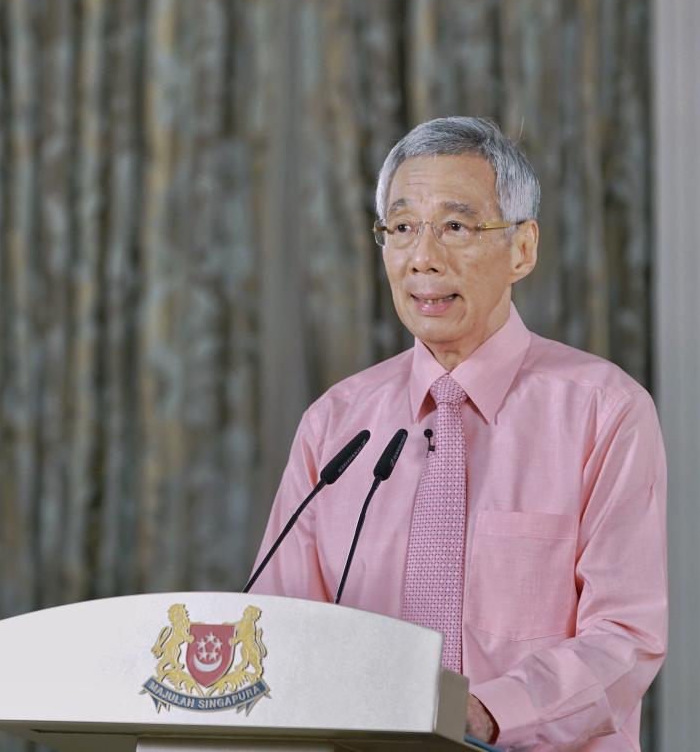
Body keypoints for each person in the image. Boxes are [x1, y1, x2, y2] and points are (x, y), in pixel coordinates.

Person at [252, 117, 667, 750]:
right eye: (402, 228)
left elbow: (625, 640)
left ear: (522, 249)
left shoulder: (603, 412)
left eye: (455, 226)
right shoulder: (335, 424)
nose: (423, 257)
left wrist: (475, 714)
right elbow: (277, 629)